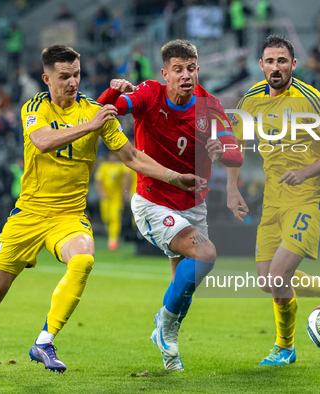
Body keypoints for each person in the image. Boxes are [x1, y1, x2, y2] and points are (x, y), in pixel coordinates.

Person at [0, 45, 203, 381]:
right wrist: (90, 125)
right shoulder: (34, 108)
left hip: (68, 216)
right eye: (64, 76)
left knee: (83, 258)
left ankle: (44, 340)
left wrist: (174, 177)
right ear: (47, 78)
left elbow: (131, 156)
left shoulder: (94, 111)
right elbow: (42, 141)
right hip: (28, 214)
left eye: (77, 75)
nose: (72, 82)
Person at [96, 39, 243, 371]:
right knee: (206, 254)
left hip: (193, 206)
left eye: (191, 68)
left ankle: (166, 335)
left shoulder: (210, 106)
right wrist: (113, 91)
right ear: (165, 73)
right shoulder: (149, 93)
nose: (186, 75)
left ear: (198, 70)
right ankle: (164, 325)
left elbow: (236, 153)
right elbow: (104, 110)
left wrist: (223, 150)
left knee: (185, 286)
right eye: (178, 70)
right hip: (153, 202)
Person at [226, 35, 320, 366]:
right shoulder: (251, 99)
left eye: (282, 61)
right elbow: (234, 146)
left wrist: (307, 171)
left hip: (309, 198)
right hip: (273, 200)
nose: (276, 67)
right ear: (261, 65)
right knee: (267, 282)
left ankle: (285, 347)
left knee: (279, 276)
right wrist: (232, 188)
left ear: (293, 65)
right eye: (269, 61)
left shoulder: (311, 99)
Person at [94, 151, 131, 251]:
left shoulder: (121, 166)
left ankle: (113, 240)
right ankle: (111, 236)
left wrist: (125, 191)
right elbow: (98, 180)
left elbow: (127, 177)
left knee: (115, 217)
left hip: (116, 197)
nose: (113, 158)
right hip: (106, 197)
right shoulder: (104, 167)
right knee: (106, 218)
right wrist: (102, 192)